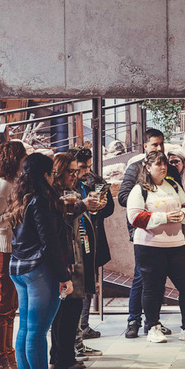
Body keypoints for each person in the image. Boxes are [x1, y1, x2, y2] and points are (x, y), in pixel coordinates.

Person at [9, 152, 74, 369]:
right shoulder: (43, 199)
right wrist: (63, 275)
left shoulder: (21, 198)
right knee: (38, 330)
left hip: (19, 269)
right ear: (47, 175)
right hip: (40, 270)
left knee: (26, 328)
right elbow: (50, 242)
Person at [127, 150, 185, 343]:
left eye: (164, 164)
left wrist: (182, 216)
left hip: (176, 245)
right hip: (149, 246)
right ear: (148, 167)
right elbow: (135, 217)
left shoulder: (173, 185)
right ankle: (153, 327)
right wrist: (164, 218)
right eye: (158, 164)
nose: (163, 168)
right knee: (152, 288)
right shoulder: (140, 189)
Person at [48, 152, 108, 369]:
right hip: (66, 257)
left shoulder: (69, 190)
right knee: (66, 308)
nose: (75, 176)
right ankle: (62, 357)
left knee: (72, 307)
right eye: (71, 171)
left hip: (77, 252)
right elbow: (61, 219)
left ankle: (63, 355)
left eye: (76, 171)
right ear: (58, 172)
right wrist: (82, 205)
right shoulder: (53, 194)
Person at [116, 128, 167, 338]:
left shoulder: (166, 166)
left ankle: (153, 322)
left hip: (164, 231)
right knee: (141, 276)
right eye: (154, 145)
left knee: (158, 277)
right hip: (142, 229)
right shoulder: (135, 167)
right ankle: (133, 320)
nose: (159, 148)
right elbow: (122, 196)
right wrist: (145, 203)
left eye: (161, 144)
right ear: (144, 146)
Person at [0, 139, 27, 369]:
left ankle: (9, 357)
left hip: (12, 249)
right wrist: (18, 211)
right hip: (2, 250)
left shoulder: (12, 183)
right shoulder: (2, 185)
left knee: (10, 309)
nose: (25, 162)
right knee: (2, 308)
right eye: (23, 157)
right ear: (14, 159)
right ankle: (1, 361)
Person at [72, 147, 113, 353]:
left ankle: (83, 328)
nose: (86, 171)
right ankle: (75, 336)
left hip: (92, 238)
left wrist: (102, 205)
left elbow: (109, 207)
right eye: (82, 167)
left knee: (88, 284)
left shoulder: (93, 180)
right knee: (77, 289)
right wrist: (85, 206)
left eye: (89, 166)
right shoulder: (66, 184)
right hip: (75, 242)